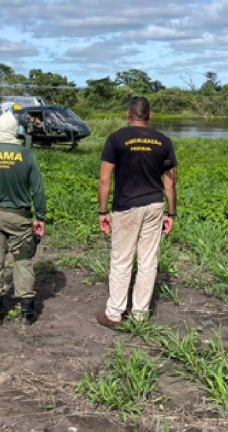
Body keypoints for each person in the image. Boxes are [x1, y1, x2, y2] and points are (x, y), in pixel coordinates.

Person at [96, 96, 177, 329]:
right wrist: (171, 214)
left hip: (126, 208)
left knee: (121, 260)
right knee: (148, 261)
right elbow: (170, 183)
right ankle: (140, 314)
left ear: (127, 115)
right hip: (154, 206)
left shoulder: (116, 139)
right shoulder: (164, 141)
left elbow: (104, 179)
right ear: (149, 116)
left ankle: (114, 313)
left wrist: (103, 211)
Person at [0, 111, 47, 326]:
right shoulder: (27, 155)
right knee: (23, 261)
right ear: (15, 131)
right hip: (20, 218)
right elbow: (38, 190)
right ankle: (26, 314)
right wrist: (40, 216)